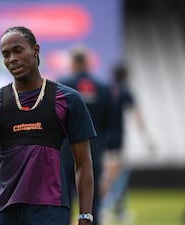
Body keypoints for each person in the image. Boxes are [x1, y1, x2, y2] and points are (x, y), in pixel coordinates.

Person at [0, 26, 96, 225]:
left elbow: (83, 163)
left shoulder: (68, 99)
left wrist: (85, 216)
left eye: (17, 50)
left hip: (51, 210)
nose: (11, 58)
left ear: (36, 50)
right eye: (6, 54)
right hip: (4, 211)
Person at [57, 45, 114, 225]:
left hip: (66, 154)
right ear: (88, 63)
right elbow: (109, 124)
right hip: (93, 154)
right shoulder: (104, 89)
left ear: (73, 63)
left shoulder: (63, 86)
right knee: (92, 205)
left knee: (64, 205)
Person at [100, 62, 153, 224]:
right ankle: (103, 209)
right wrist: (147, 138)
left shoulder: (106, 90)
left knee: (111, 175)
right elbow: (136, 115)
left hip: (103, 138)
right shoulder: (125, 91)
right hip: (117, 140)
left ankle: (118, 209)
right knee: (115, 175)